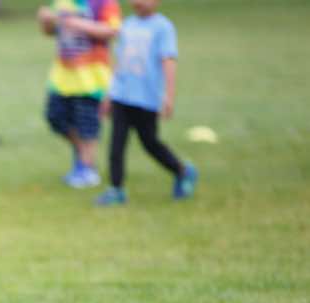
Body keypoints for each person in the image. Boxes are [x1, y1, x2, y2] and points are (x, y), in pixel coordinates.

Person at [95, 0, 197, 205]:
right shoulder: (127, 25)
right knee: (116, 144)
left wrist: (169, 95)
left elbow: (168, 61)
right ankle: (116, 189)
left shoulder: (163, 27)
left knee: (150, 143)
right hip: (122, 96)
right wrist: (108, 95)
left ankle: (182, 171)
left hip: (146, 99)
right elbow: (120, 62)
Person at [38, 0, 121, 188]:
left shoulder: (104, 2)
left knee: (87, 126)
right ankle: (84, 157)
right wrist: (46, 21)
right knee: (55, 118)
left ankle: (86, 169)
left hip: (91, 77)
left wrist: (73, 22)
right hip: (62, 76)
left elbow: (112, 30)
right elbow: (50, 31)